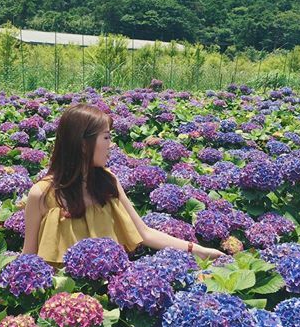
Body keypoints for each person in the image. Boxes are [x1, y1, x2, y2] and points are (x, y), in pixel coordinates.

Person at [23, 103, 223, 266]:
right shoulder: (41, 194)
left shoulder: (107, 181)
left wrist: (199, 251)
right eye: (106, 137)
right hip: (65, 297)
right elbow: (29, 258)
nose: (111, 144)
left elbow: (144, 233)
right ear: (83, 144)